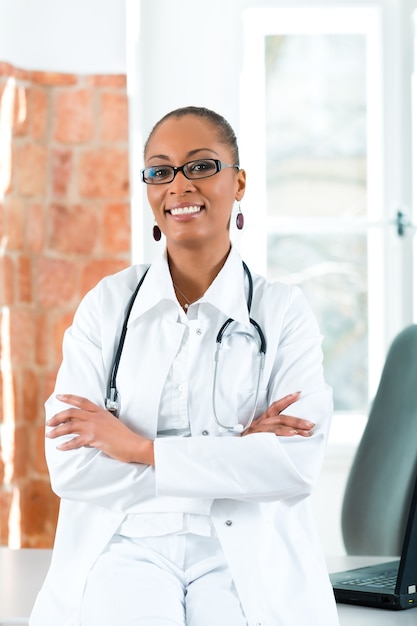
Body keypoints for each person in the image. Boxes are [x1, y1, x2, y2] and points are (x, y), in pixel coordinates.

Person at [30, 106, 339, 626]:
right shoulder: (108, 306)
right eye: (160, 170)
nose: (179, 185)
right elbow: (72, 465)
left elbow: (292, 466)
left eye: (201, 166)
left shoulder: (282, 311)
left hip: (240, 545)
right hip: (127, 541)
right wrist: (233, 458)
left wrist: (137, 449)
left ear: (238, 183)